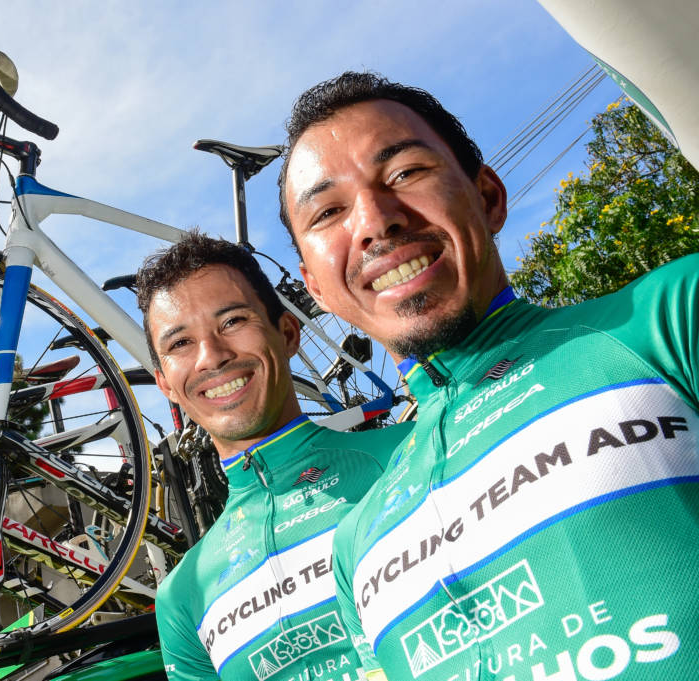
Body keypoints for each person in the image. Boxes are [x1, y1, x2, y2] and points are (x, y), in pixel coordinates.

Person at [278, 71, 699, 680]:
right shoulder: (355, 547)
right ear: (315, 288)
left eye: (405, 173)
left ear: (490, 197)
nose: (374, 221)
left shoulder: (671, 318)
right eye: (328, 211)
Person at [139, 231, 414, 681]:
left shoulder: (415, 451)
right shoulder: (182, 597)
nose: (212, 357)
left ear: (288, 333)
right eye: (180, 343)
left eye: (233, 321)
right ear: (165, 384)